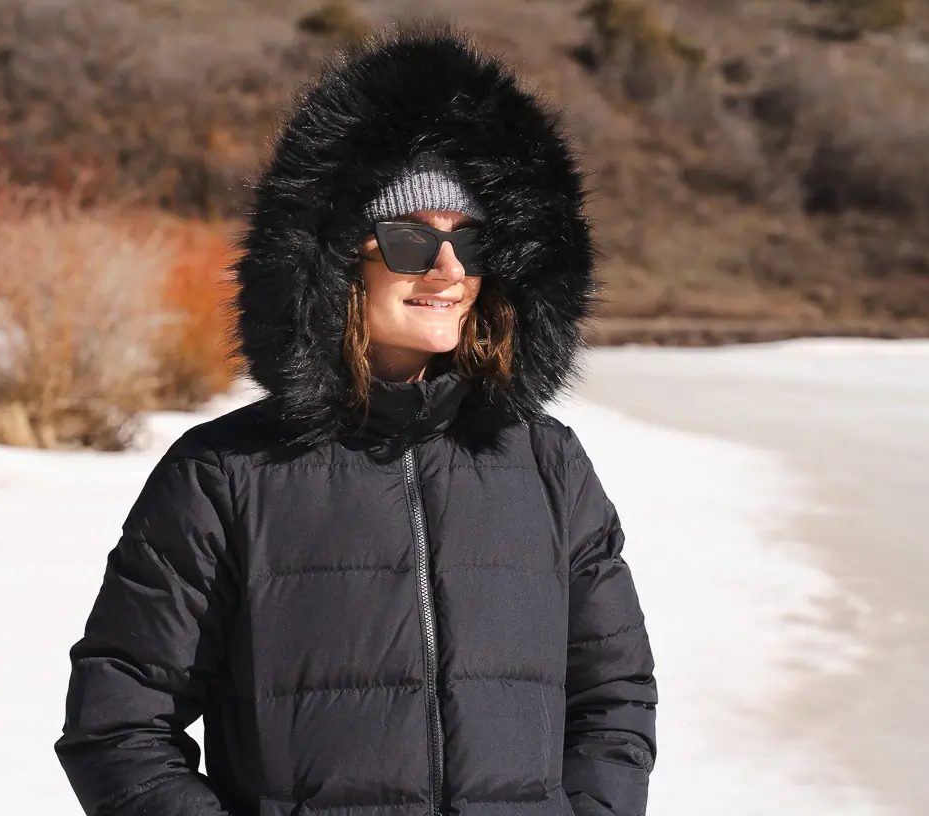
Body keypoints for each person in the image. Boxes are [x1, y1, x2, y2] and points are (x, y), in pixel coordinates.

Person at [54, 25, 657, 816]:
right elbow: (119, 724)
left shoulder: (547, 466)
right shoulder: (225, 475)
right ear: (338, 261)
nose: (447, 270)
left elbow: (614, 701)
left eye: (469, 242)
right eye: (411, 241)